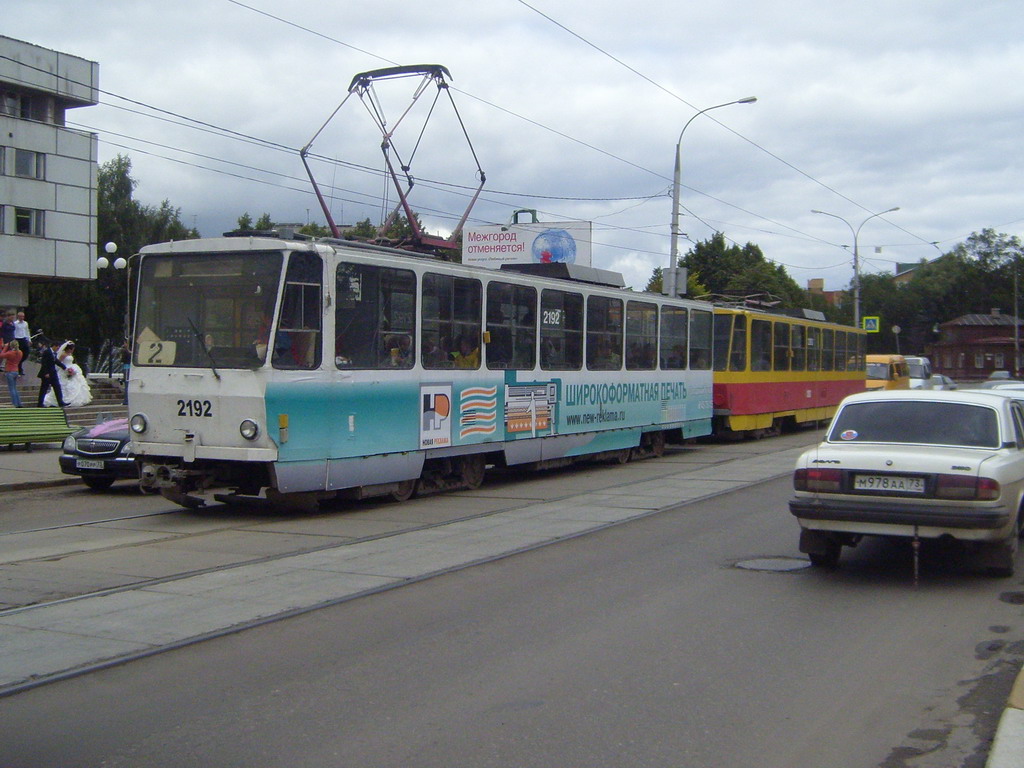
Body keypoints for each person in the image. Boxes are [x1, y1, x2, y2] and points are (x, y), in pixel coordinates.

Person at [44, 341, 92, 408]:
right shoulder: (63, 354)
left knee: (77, 383)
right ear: (68, 349)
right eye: (71, 349)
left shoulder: (70, 354)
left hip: (71, 367)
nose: (72, 351)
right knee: (62, 385)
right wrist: (66, 369)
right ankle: (60, 401)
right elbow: (58, 362)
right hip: (64, 369)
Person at [36, 337, 66, 407]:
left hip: (53, 373)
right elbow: (44, 363)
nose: (58, 348)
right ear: (54, 346)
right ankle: (40, 403)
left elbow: (55, 361)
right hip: (47, 374)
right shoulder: (47, 352)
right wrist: (46, 373)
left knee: (57, 387)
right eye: (57, 347)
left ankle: (60, 402)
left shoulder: (53, 353)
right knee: (44, 389)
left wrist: (64, 367)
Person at [0, 340, 23, 407]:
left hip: (9, 371)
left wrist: (5, 347)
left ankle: (15, 403)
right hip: (16, 370)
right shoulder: (20, 352)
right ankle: (19, 403)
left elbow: (1, 355)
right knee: (14, 388)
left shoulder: (10, 353)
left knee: (11, 388)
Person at [12, 311, 29, 376]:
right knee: (18, 354)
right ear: (18, 316)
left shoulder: (25, 323)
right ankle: (19, 369)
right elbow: (13, 331)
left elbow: (27, 331)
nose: (22, 318)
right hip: (17, 339)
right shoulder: (15, 323)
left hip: (24, 339)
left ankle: (19, 363)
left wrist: (29, 339)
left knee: (26, 353)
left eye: (23, 316)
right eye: (21, 316)